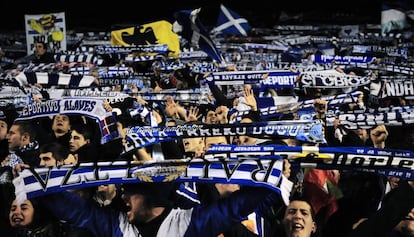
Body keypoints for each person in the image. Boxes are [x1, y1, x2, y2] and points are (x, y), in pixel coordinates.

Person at [37, 181, 287, 237]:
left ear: (149, 198)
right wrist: (38, 185)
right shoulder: (118, 224)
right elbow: (78, 212)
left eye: (130, 194)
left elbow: (236, 208)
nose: (123, 198)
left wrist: (270, 181)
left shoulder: (189, 222)